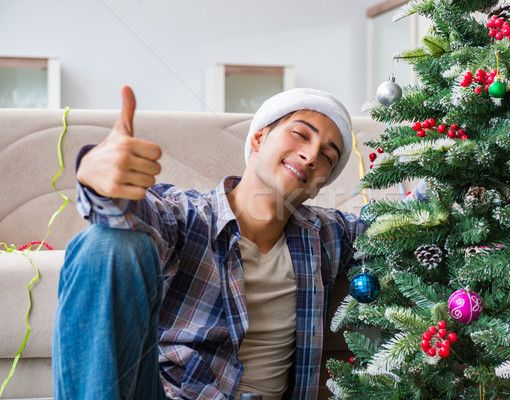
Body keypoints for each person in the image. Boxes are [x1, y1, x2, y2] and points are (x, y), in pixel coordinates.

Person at [52, 86, 365, 400]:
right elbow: (133, 213)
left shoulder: (326, 234)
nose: (311, 156)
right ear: (258, 138)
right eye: (300, 134)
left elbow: (398, 228)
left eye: (327, 156)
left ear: (320, 184)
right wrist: (97, 181)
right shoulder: (190, 216)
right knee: (105, 243)